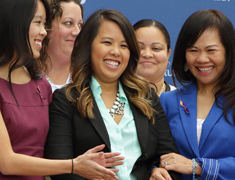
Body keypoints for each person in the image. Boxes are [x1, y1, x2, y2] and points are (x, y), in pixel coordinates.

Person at [0, 1, 122, 180]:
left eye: (44, 24)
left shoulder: (41, 85)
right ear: (14, 22)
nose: (44, 32)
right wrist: (74, 165)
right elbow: (7, 163)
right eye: (37, 23)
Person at [44, 9, 181, 180]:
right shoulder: (66, 99)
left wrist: (158, 171)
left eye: (123, 46)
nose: (116, 51)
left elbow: (168, 157)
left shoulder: (146, 96)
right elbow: (61, 169)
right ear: (88, 46)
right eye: (107, 42)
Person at [158, 9, 235, 180]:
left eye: (211, 50)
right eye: (194, 50)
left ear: (228, 52)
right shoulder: (167, 100)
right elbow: (153, 154)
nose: (202, 59)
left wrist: (197, 167)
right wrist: (154, 170)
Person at [38, 0, 84, 92]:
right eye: (68, 23)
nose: (77, 32)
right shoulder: (24, 74)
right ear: (47, 26)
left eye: (80, 25)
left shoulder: (85, 78)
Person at [133, 19, 175, 96]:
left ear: (168, 54)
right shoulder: (113, 96)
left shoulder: (182, 101)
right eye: (139, 48)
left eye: (156, 48)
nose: (147, 54)